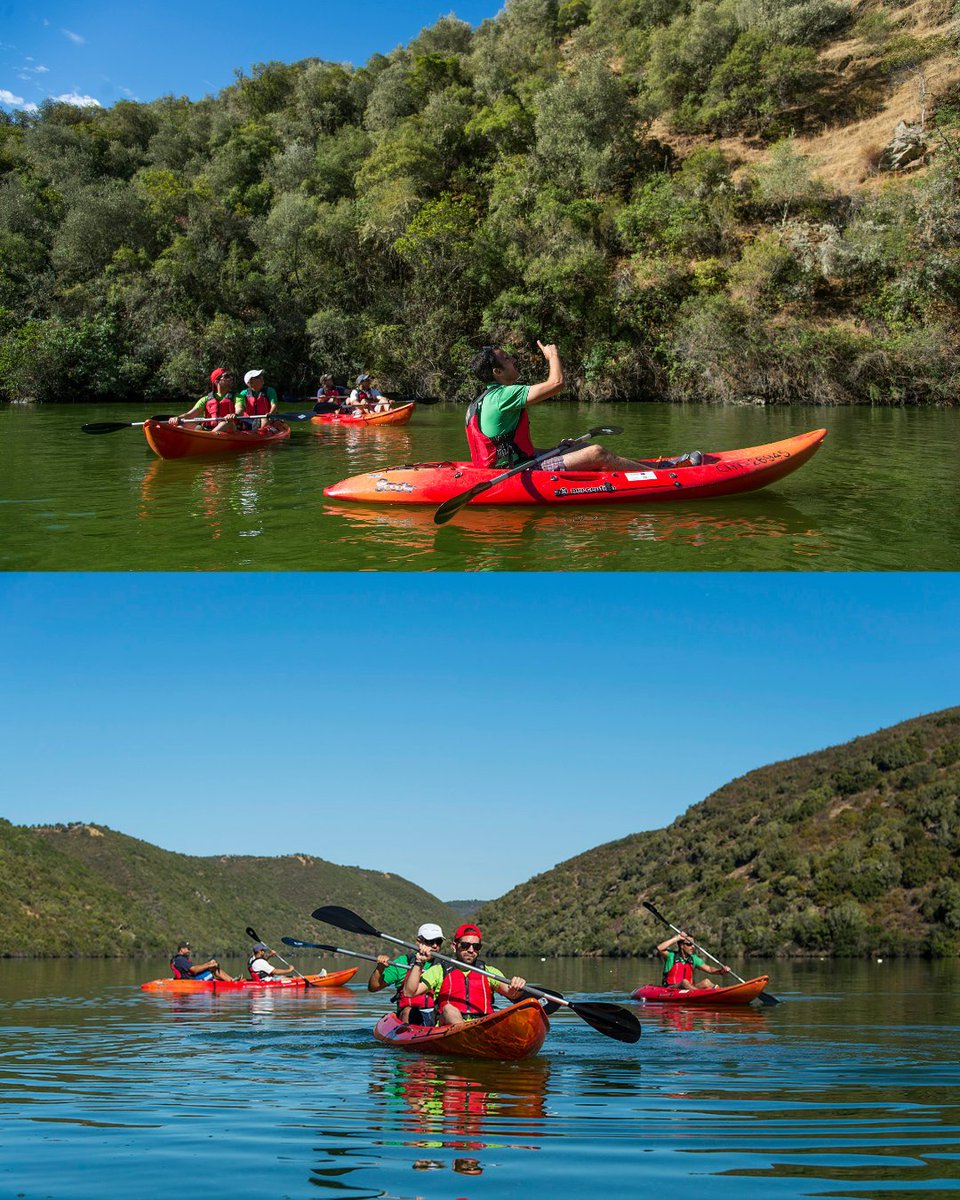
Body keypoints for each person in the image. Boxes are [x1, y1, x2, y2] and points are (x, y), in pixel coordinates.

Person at [466, 342, 702, 471]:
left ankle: (644, 467)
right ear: (497, 372)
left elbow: (507, 449)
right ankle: (662, 474)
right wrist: (553, 356)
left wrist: (551, 450)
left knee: (577, 447)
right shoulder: (504, 395)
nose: (513, 360)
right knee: (596, 452)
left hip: (514, 465)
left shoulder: (485, 399)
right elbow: (556, 384)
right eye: (507, 359)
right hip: (517, 475)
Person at [403, 922, 526, 1027]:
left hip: (482, 1025)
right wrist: (419, 962)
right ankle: (465, 1033)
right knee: (448, 1008)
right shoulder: (439, 970)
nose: (471, 950)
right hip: (449, 1026)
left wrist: (518, 986)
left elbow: (512, 994)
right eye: (465, 945)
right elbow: (409, 992)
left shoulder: (489, 971)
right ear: (454, 946)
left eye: (476, 946)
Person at [368, 923, 445, 1026]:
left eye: (438, 941)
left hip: (435, 1015)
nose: (435, 945)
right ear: (418, 942)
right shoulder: (403, 962)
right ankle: (408, 1034)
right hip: (408, 1016)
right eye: (430, 942)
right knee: (409, 1011)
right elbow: (373, 987)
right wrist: (380, 968)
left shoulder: (445, 965)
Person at [657, 930, 732, 991]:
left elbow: (709, 969)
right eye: (689, 944)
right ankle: (700, 994)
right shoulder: (671, 956)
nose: (693, 947)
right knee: (684, 982)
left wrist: (721, 971)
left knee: (706, 982)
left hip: (689, 989)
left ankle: (721, 993)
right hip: (670, 989)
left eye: (694, 945)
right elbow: (660, 948)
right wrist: (677, 938)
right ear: (682, 946)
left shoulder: (694, 959)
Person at [169, 368, 237, 433]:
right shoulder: (205, 399)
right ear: (217, 381)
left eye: (231, 376)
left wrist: (232, 415)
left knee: (227, 421)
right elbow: (190, 415)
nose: (231, 378)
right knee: (182, 425)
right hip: (209, 430)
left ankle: (209, 439)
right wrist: (177, 418)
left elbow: (239, 410)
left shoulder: (237, 397)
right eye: (227, 376)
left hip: (230, 428)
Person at [170, 940, 236, 982]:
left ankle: (231, 980)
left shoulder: (177, 959)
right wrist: (210, 965)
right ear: (182, 949)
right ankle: (232, 982)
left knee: (212, 967)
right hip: (193, 981)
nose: (189, 951)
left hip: (188, 979)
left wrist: (209, 963)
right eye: (188, 949)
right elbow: (195, 970)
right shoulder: (181, 960)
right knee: (213, 969)